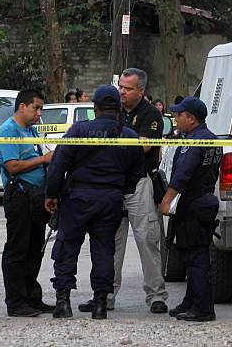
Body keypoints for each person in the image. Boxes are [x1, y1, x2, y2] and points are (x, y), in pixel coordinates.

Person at [45, 84, 143, 320]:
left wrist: (51, 194)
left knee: (67, 248)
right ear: (118, 108)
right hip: (110, 199)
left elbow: (58, 165)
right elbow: (136, 172)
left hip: (77, 198)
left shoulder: (78, 131)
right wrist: (121, 191)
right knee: (104, 251)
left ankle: (63, 303)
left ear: (95, 108)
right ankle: (100, 304)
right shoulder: (129, 136)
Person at [78, 67, 169, 314]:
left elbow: (144, 148)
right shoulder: (113, 113)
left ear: (141, 90)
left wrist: (111, 150)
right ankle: (104, 295)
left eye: (128, 89)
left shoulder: (151, 115)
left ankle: (156, 296)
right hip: (114, 184)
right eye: (120, 87)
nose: (122, 92)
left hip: (139, 183)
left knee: (147, 241)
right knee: (110, 243)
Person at [159, 97, 222, 322]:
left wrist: (167, 200)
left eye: (179, 115)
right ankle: (191, 301)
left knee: (196, 258)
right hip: (204, 200)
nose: (176, 120)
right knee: (191, 255)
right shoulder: (211, 139)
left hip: (193, 204)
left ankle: (203, 308)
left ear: (191, 118)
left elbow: (183, 174)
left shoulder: (194, 141)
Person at [0, 89, 55, 317]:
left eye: (40, 109)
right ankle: (16, 301)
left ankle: (32, 296)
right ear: (22, 106)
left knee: (35, 249)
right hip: (19, 197)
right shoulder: (9, 130)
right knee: (17, 250)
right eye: (36, 108)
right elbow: (12, 166)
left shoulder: (32, 130)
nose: (39, 113)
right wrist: (44, 159)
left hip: (37, 197)